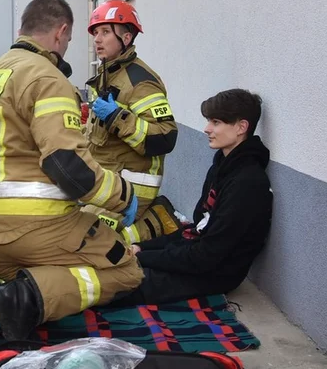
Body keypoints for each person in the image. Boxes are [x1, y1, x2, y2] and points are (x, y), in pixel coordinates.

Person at [0, 0, 143, 345]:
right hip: (33, 224)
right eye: (67, 41)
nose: (66, 48)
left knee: (20, 279)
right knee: (125, 269)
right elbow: (67, 166)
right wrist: (122, 195)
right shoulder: (48, 79)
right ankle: (28, 300)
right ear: (60, 32)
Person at [116, 89, 272, 305]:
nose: (207, 129)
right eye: (209, 121)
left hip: (215, 273)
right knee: (113, 261)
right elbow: (196, 229)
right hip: (195, 256)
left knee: (116, 283)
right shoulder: (221, 167)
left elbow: (206, 256)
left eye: (216, 122)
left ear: (241, 127)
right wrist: (142, 248)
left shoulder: (248, 184)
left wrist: (142, 257)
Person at [83, 0, 180, 243]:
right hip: (105, 180)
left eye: (105, 32)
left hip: (132, 186)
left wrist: (118, 117)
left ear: (126, 38)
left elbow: (165, 137)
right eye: (96, 32)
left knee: (90, 240)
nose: (97, 39)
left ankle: (155, 222)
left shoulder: (141, 82)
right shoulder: (106, 75)